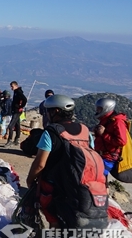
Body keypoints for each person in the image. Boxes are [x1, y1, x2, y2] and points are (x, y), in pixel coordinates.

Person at [26, 95, 108, 229]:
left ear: (56, 111)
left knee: (53, 219)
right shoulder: (85, 130)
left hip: (53, 184)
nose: (47, 114)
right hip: (79, 184)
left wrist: (30, 180)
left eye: (49, 110)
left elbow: (40, 164)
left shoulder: (50, 132)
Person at [93, 98, 128, 175]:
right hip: (101, 155)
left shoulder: (117, 122)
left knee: (98, 176)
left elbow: (121, 141)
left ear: (106, 109)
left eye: (99, 109)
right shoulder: (106, 119)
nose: (97, 111)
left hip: (108, 157)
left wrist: (104, 134)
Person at [5, 81, 27, 147]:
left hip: (17, 111)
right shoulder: (16, 92)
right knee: (17, 125)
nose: (11, 88)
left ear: (15, 85)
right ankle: (17, 139)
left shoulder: (18, 92)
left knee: (11, 126)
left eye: (12, 86)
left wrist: (21, 106)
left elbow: (24, 99)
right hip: (15, 110)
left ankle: (10, 141)